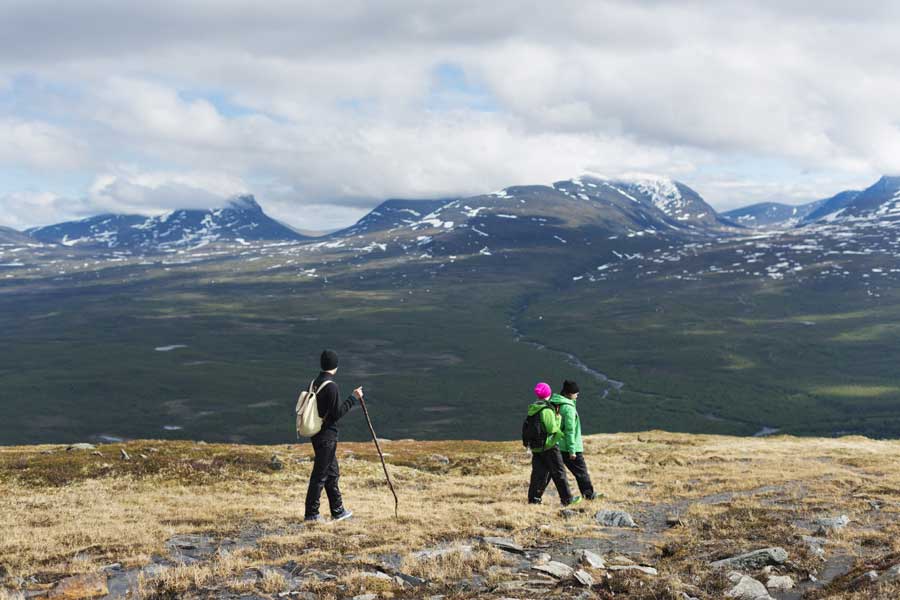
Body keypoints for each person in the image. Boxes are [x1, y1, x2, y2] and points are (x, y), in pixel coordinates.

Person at [304, 349, 363, 523]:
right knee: (321, 475)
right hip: (327, 436)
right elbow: (336, 414)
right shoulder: (331, 386)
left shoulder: (314, 382)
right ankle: (311, 514)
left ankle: (338, 510)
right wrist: (353, 398)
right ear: (335, 366)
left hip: (316, 433)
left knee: (332, 473)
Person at [527, 382, 583, 507]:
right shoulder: (546, 409)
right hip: (549, 446)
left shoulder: (533, 407)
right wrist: (558, 418)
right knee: (559, 473)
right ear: (548, 393)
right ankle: (567, 500)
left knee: (538, 474)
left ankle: (534, 500)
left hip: (537, 447)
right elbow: (552, 428)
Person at [550, 380, 597, 500]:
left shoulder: (555, 403)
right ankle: (589, 495)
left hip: (556, 445)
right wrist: (572, 450)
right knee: (581, 472)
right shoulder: (569, 408)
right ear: (568, 394)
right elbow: (570, 431)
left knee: (552, 473)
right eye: (575, 392)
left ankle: (535, 497)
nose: (577, 394)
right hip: (569, 447)